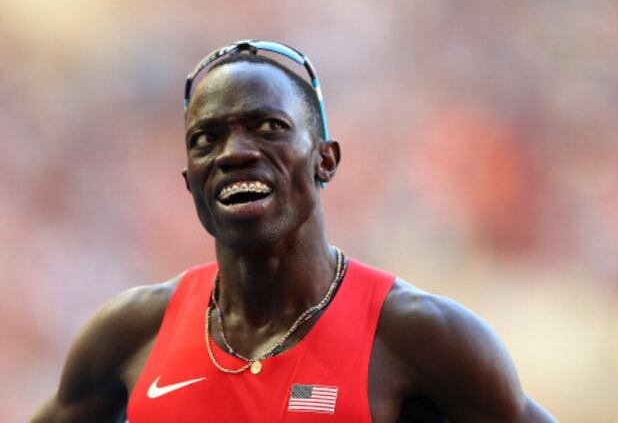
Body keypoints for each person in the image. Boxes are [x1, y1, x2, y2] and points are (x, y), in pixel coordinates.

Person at [33, 40, 556, 422]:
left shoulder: (418, 335)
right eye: (206, 139)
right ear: (188, 181)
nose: (235, 153)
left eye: (269, 127)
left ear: (325, 161)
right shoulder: (132, 333)